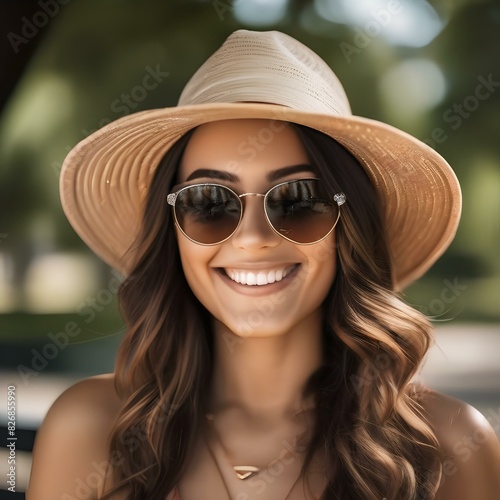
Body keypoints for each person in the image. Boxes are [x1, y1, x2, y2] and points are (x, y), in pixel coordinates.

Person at [26, 30, 500, 500]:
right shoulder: (87, 429)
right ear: (172, 231)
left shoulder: (451, 445)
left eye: (299, 199)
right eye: (210, 202)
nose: (252, 238)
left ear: (348, 226)